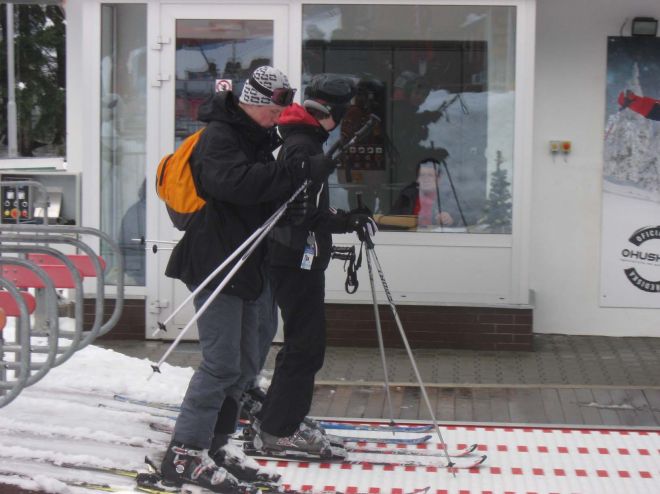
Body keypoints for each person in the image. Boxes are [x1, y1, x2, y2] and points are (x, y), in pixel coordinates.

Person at [161, 66, 337, 492]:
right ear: (257, 100)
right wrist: (292, 174)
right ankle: (183, 453)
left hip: (247, 263)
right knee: (221, 364)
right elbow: (231, 184)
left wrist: (303, 205)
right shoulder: (220, 136)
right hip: (215, 262)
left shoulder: (257, 138)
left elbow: (259, 199)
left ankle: (215, 446)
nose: (283, 114)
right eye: (278, 104)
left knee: (243, 368)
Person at [252, 74, 377, 457]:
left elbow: (310, 208)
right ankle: (278, 430)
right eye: (346, 112)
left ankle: (280, 418)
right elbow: (293, 211)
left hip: (298, 257)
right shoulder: (302, 145)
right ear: (331, 113)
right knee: (306, 348)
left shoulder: (304, 140)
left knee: (302, 345)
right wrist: (337, 221)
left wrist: (345, 220)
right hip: (294, 260)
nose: (347, 119)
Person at [391, 158, 455, 228]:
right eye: (422, 175)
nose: (425, 179)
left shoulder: (449, 198)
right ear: (417, 179)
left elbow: (463, 220)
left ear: (438, 179)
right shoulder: (406, 196)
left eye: (430, 175)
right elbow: (391, 221)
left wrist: (450, 220)